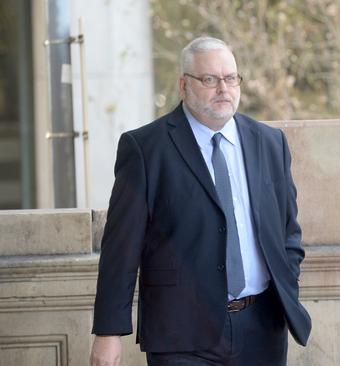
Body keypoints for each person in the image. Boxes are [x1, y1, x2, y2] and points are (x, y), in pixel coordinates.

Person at [90, 36, 310, 366]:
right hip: (182, 333)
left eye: (230, 78)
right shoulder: (146, 149)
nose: (223, 88)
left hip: (263, 327)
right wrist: (108, 332)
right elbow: (121, 248)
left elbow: (288, 231)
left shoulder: (269, 142)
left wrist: (286, 284)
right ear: (183, 85)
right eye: (209, 79)